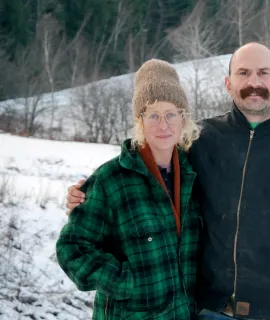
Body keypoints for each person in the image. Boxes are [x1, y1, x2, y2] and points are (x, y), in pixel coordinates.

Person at [66, 43, 270, 320]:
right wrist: (88, 198)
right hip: (212, 311)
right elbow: (149, 167)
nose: (254, 81)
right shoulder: (200, 140)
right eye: (243, 73)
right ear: (228, 84)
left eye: (263, 73)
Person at [56, 59, 202, 319]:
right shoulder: (110, 179)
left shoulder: (194, 175)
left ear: (183, 118)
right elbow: (72, 247)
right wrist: (126, 283)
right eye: (153, 115)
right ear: (140, 120)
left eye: (171, 114)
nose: (163, 124)